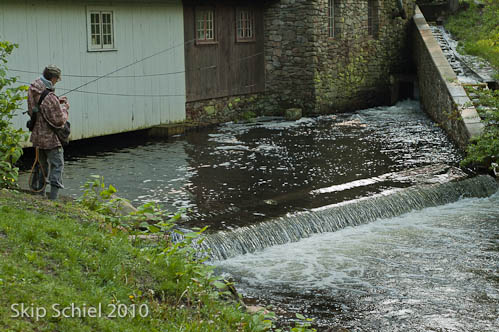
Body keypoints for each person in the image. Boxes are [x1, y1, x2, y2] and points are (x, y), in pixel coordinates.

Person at [27, 65, 69, 200]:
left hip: (37, 136)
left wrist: (57, 101)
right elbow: (58, 120)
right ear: (53, 78)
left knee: (41, 165)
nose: (57, 81)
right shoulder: (49, 97)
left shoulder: (33, 88)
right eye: (57, 79)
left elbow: (33, 109)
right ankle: (54, 198)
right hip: (51, 139)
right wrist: (64, 108)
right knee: (57, 165)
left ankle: (39, 194)